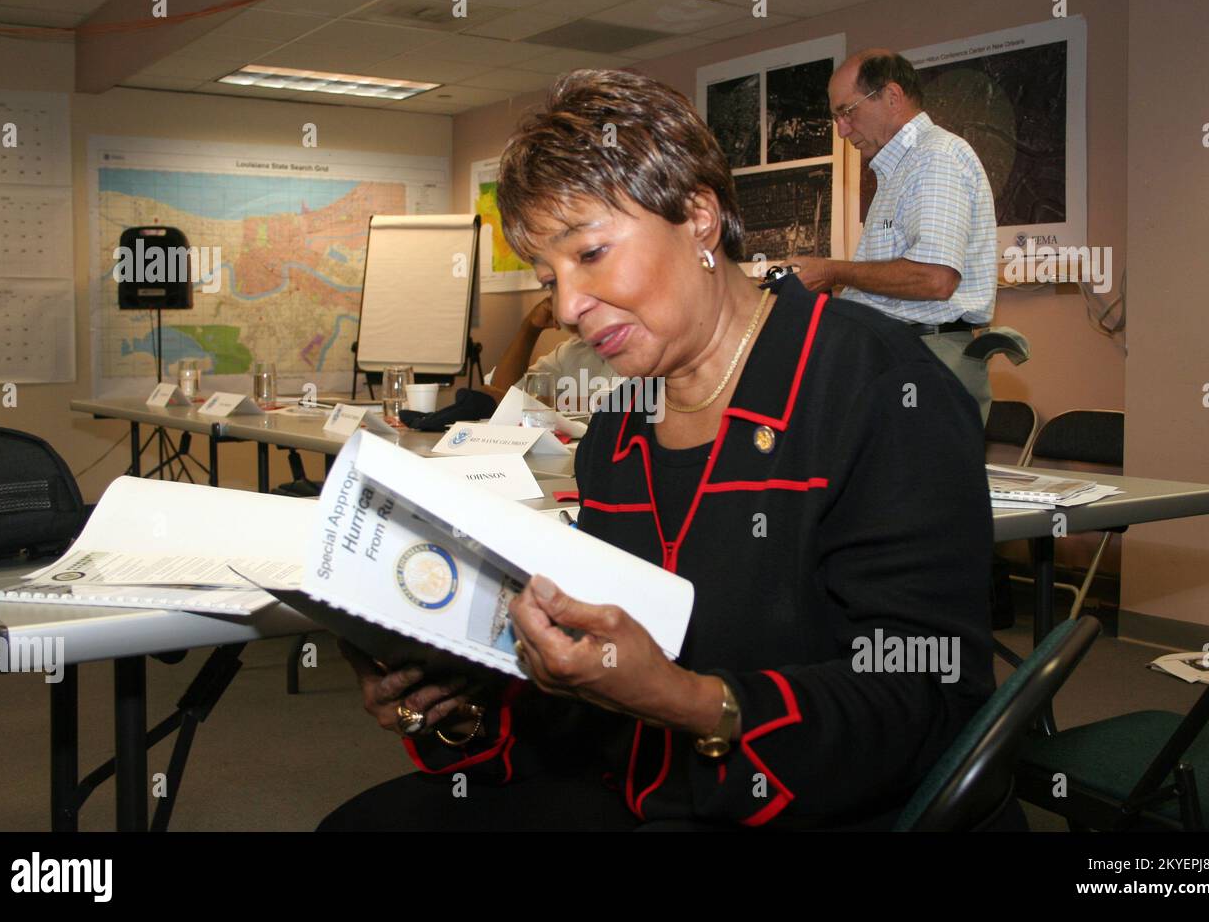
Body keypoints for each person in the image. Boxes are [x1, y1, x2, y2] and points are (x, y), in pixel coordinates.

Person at [320, 69, 1013, 831]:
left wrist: (692, 703)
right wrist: (460, 707)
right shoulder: (620, 432)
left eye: (589, 253)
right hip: (650, 785)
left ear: (699, 216)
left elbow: (926, 699)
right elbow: (606, 704)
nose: (569, 308)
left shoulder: (878, 392)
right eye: (551, 275)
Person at [793, 49, 998, 424]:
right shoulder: (898, 171)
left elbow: (935, 278)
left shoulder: (934, 158)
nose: (841, 130)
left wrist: (833, 272)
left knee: (923, 482)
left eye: (847, 111)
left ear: (891, 96)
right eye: (836, 117)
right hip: (904, 355)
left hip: (928, 358)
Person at [481, 294, 619, 406]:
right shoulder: (574, 351)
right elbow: (500, 391)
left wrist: (528, 405)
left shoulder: (636, 349)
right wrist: (530, 327)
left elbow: (619, 405)